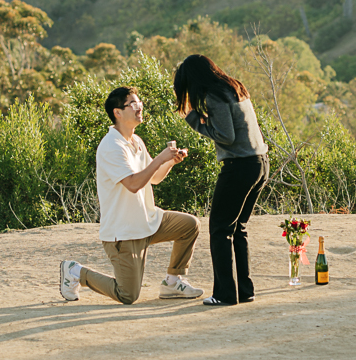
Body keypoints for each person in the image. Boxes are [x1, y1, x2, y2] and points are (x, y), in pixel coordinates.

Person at [59, 85, 204, 305]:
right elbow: (134, 184)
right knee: (128, 294)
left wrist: (170, 162)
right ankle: (75, 272)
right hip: (124, 232)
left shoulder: (136, 141)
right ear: (117, 112)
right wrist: (159, 158)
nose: (139, 108)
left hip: (148, 221)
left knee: (189, 225)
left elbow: (153, 178)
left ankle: (172, 283)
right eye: (133, 104)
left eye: (140, 103)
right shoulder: (111, 146)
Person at [174, 55, 269, 307]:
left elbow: (226, 137)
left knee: (219, 229)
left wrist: (193, 119)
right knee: (238, 229)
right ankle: (245, 291)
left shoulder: (214, 96)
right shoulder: (234, 87)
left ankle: (225, 294)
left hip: (239, 166)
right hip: (259, 162)